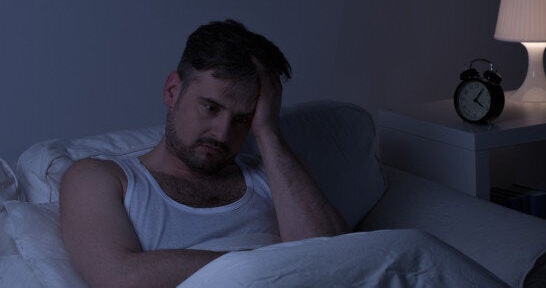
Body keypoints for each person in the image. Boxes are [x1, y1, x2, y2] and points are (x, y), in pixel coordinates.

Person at [60, 19, 349, 287]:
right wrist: (271, 263)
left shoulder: (280, 175)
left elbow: (341, 264)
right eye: (211, 108)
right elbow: (119, 277)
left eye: (242, 119)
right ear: (173, 91)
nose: (223, 134)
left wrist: (268, 133)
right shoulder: (99, 178)